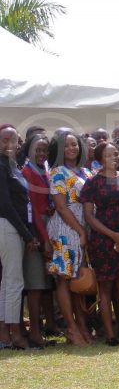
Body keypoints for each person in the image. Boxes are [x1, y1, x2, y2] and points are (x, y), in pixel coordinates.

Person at [81, 142, 119, 346]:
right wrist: (112, 235)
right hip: (102, 240)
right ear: (100, 159)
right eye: (109, 155)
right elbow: (89, 216)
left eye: (116, 154)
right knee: (105, 287)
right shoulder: (92, 182)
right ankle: (110, 334)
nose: (115, 158)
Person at [45, 129, 94, 345]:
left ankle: (82, 325)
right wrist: (80, 231)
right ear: (58, 149)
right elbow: (61, 206)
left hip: (84, 224)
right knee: (65, 278)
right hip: (66, 228)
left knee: (78, 278)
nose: (71, 148)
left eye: (74, 144)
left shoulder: (86, 171)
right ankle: (71, 328)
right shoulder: (58, 172)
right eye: (66, 145)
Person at [0, 125, 39, 350]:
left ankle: (5, 333)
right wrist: (27, 235)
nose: (8, 144)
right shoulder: (1, 166)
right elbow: (5, 205)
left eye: (12, 140)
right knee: (14, 282)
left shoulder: (12, 165)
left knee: (8, 281)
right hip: (8, 226)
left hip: (15, 227)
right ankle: (15, 334)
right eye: (4, 140)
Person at [18, 133, 55, 348]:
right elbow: (32, 208)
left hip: (46, 224)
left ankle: (43, 328)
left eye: (44, 150)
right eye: (37, 150)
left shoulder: (43, 171)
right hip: (36, 229)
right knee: (35, 285)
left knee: (44, 283)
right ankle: (34, 332)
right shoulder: (27, 172)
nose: (41, 153)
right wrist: (44, 239)